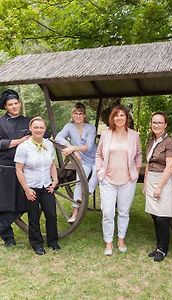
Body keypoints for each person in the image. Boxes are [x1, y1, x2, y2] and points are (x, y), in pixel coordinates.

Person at [96, 105, 142, 255]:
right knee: (108, 212)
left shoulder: (134, 135)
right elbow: (99, 155)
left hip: (127, 180)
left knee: (123, 212)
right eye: (116, 115)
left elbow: (138, 155)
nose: (119, 118)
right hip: (108, 179)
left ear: (127, 118)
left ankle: (121, 239)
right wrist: (99, 170)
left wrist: (136, 170)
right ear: (112, 118)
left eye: (122, 115)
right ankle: (108, 242)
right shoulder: (106, 135)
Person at [15, 117, 60, 255]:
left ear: (44, 129)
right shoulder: (23, 147)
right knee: (33, 217)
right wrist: (27, 189)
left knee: (51, 214)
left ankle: (53, 241)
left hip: (46, 185)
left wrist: (55, 180)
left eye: (41, 127)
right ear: (30, 129)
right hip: (31, 187)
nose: (38, 130)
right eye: (36, 127)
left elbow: (52, 164)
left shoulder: (49, 144)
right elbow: (19, 170)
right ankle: (37, 244)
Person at [144, 112, 172, 262]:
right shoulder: (152, 141)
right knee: (154, 214)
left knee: (162, 216)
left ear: (165, 124)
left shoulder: (170, 141)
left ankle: (163, 249)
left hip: (162, 180)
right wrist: (146, 184)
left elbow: (170, 165)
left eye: (159, 122)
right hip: (151, 178)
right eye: (154, 122)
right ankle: (158, 246)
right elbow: (148, 164)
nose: (156, 125)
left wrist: (159, 187)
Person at [55, 103, 98, 223]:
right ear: (72, 115)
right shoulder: (69, 126)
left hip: (95, 158)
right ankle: (74, 214)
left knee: (96, 172)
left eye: (80, 113)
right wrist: (71, 146)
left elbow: (88, 146)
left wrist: (73, 149)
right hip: (82, 160)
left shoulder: (91, 128)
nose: (78, 115)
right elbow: (58, 137)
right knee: (80, 180)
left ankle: (85, 195)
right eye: (76, 113)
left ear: (84, 115)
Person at [0, 89, 31, 247]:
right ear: (5, 107)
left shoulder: (28, 121)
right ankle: (8, 238)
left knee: (23, 203)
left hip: (25, 168)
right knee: (4, 205)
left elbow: (42, 135)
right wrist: (19, 141)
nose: (14, 106)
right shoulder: (0, 122)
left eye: (16, 103)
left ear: (20, 103)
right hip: (5, 167)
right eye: (10, 104)